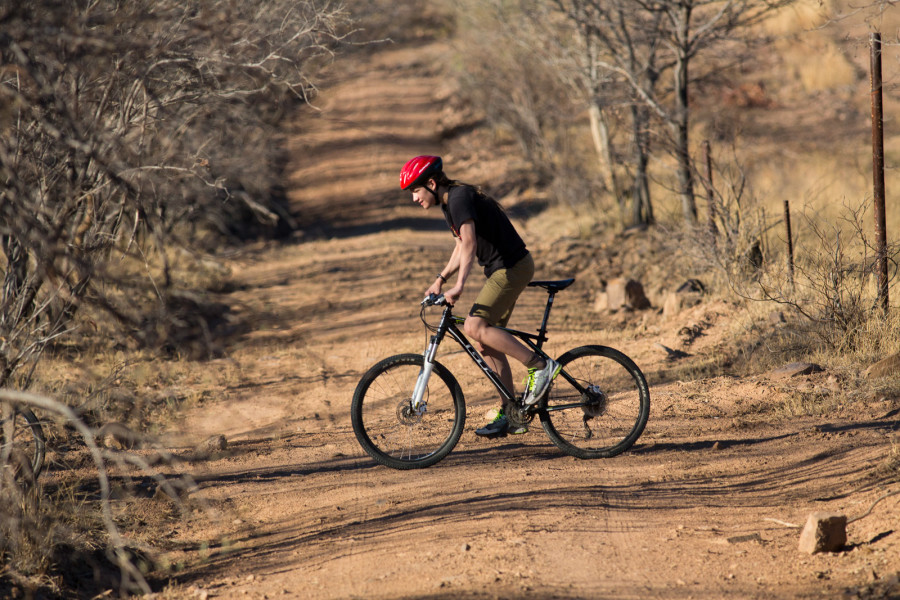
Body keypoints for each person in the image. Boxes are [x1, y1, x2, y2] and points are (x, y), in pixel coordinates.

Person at [399, 155, 561, 437]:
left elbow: (471, 243)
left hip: (511, 267)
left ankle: (541, 367)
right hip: (502, 269)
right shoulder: (450, 203)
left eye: (415, 190)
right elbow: (461, 245)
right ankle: (513, 414)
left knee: (475, 326)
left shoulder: (459, 198)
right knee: (485, 342)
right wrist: (441, 279)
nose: (414, 198)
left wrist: (459, 286)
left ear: (432, 183)